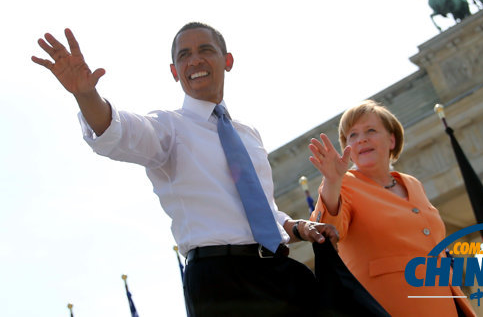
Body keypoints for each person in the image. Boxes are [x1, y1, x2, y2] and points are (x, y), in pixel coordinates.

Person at [32, 23, 339, 316]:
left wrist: (298, 227)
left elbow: (265, 211)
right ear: (174, 71)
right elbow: (118, 132)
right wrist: (86, 95)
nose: (194, 60)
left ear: (227, 60)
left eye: (205, 49)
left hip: (279, 271)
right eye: (183, 55)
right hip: (220, 283)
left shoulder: (248, 134)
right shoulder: (168, 128)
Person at [308, 100, 476, 317]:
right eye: (353, 135)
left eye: (371, 130)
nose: (362, 139)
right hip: (391, 308)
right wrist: (332, 181)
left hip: (448, 305)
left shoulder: (413, 183)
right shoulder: (342, 184)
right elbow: (327, 230)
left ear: (392, 139)